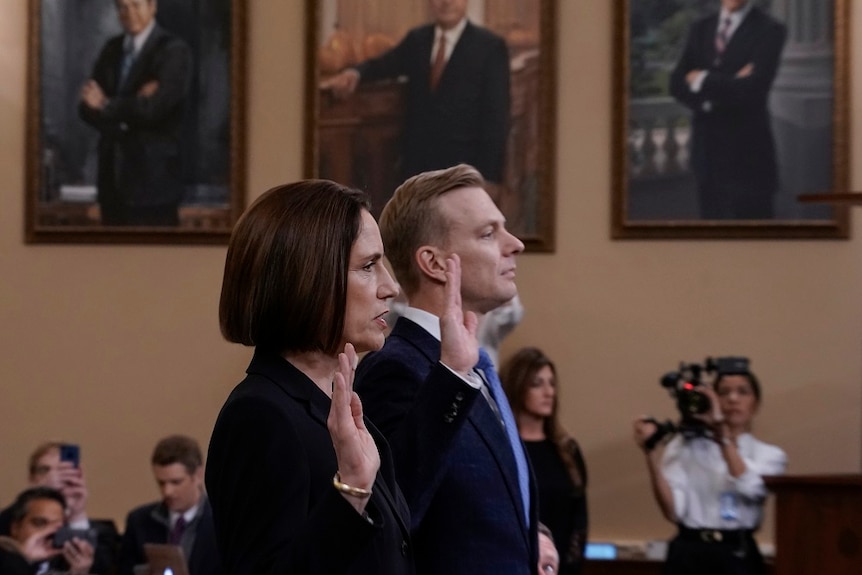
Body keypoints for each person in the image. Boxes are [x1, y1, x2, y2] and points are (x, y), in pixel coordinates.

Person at [206, 179, 479, 574]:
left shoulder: (342, 406)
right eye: (369, 266)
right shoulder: (260, 416)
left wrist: (454, 369)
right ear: (308, 278)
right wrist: (350, 491)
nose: (391, 287)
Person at [354, 164, 537, 574]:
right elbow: (394, 514)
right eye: (489, 234)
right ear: (434, 263)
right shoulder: (396, 369)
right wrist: (452, 376)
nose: (516, 244)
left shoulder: (480, 366)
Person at [322, 0, 510, 185]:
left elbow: (495, 118)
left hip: (463, 173)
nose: (446, 2)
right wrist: (355, 73)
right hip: (417, 170)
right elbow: (382, 65)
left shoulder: (490, 47)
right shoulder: (418, 40)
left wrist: (489, 178)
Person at [632, 366, 787, 575]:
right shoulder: (684, 446)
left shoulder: (769, 455)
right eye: (724, 393)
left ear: (755, 404)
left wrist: (721, 433)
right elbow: (673, 511)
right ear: (713, 399)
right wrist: (650, 453)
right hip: (689, 550)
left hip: (736, 552)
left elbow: (751, 487)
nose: (733, 399)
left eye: (743, 392)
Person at [669, 0, 786, 220]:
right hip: (707, 159)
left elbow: (754, 89)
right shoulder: (700, 28)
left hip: (749, 163)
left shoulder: (770, 30)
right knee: (712, 245)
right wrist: (721, 91)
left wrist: (701, 78)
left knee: (754, 247)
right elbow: (676, 83)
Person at [79, 0, 192, 226]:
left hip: (154, 185)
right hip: (111, 183)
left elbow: (154, 109)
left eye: (135, 5)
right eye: (122, 6)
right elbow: (85, 108)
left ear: (153, 7)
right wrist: (131, 106)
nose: (129, 13)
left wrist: (106, 105)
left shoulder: (173, 50)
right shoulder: (111, 50)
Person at [501, 347, 589, 575]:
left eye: (552, 383)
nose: (549, 392)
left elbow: (579, 522)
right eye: (537, 384)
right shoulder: (505, 449)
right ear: (518, 387)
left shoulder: (567, 450)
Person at [0, 442, 116, 575]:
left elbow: (100, 569)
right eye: (45, 470)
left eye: (63, 471)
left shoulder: (102, 533)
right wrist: (42, 493)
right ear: (31, 479)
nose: (56, 478)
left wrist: (77, 515)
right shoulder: (8, 521)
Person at [117, 435, 221, 575]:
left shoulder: (220, 523)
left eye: (176, 482)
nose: (167, 492)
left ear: (197, 475)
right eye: (161, 483)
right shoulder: (139, 521)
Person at [3, 487, 94, 575]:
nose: (48, 533)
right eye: (39, 523)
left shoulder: (65, 563)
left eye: (57, 527)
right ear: (15, 528)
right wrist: (26, 560)